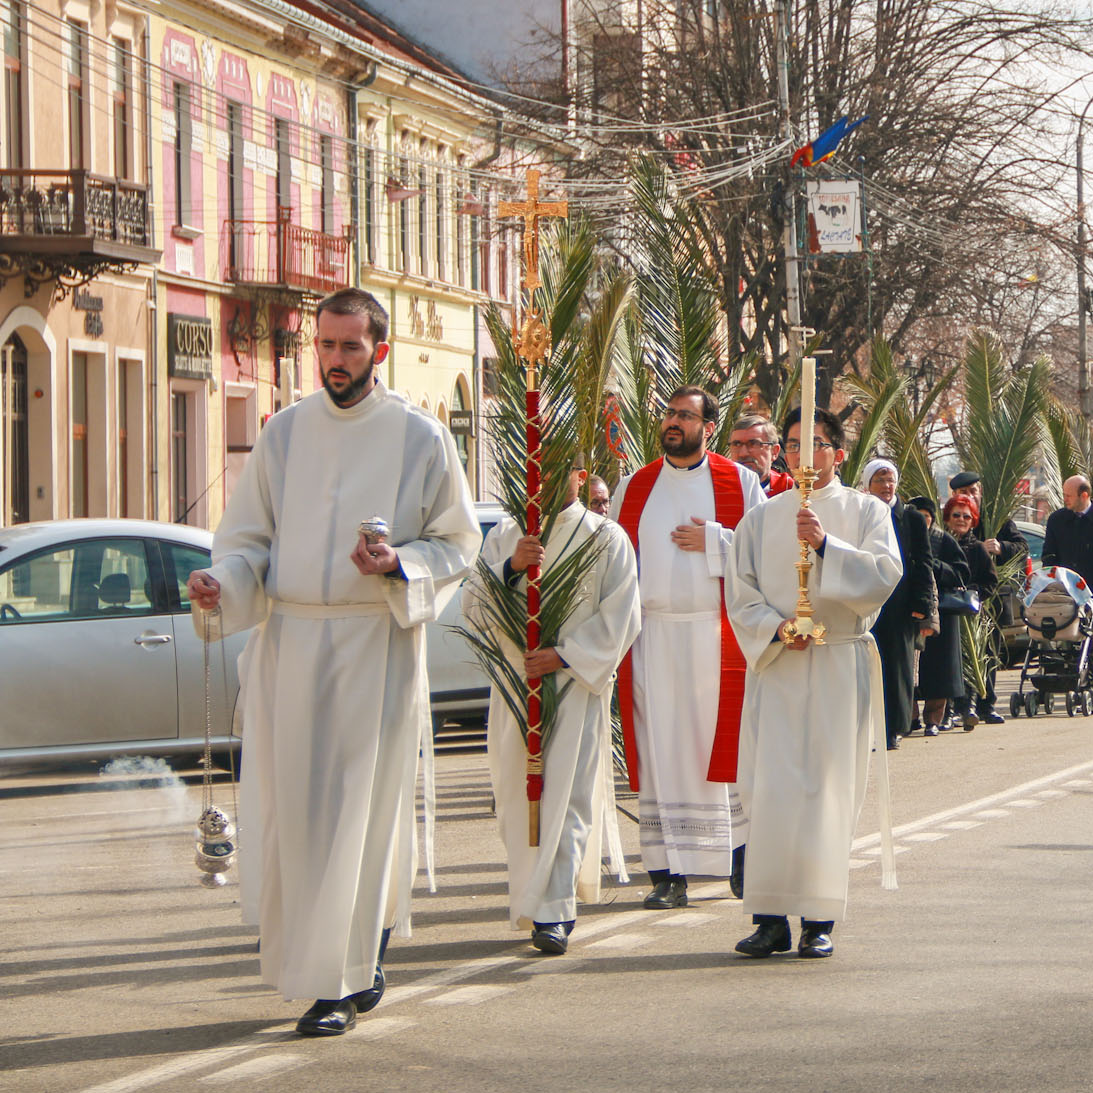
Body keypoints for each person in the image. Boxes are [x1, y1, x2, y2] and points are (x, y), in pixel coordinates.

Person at [187, 287, 481, 1037]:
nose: (337, 360)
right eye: (326, 345)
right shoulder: (283, 434)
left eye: (352, 346)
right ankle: (325, 960)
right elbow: (247, 538)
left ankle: (346, 979)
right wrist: (225, 582)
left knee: (360, 811)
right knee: (296, 814)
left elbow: (457, 543)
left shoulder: (420, 437)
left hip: (371, 645)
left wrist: (397, 563)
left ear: (379, 349)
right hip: (288, 645)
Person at [725, 407, 901, 961]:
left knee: (826, 791)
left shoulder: (866, 510)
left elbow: (884, 575)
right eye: (796, 443)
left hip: (835, 663)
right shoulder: (761, 518)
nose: (807, 455)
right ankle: (770, 918)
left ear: (839, 453)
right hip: (779, 665)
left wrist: (827, 546)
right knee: (771, 790)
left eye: (818, 443)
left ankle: (819, 918)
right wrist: (775, 627)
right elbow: (740, 591)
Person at [472, 467, 641, 956]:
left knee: (565, 800)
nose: (539, 478)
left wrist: (565, 655)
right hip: (514, 685)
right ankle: (529, 899)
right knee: (513, 801)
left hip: (573, 687)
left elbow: (623, 613)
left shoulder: (605, 537)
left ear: (580, 475)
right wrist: (510, 570)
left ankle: (555, 912)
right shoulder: (506, 534)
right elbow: (473, 606)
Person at [608, 386, 766, 910]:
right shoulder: (634, 486)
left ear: (708, 427)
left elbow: (765, 553)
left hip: (715, 636)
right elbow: (613, 562)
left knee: (722, 749)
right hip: (652, 637)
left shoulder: (739, 482)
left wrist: (717, 541)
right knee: (662, 750)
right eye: (669, 414)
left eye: (685, 416)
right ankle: (666, 871)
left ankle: (740, 859)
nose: (673, 423)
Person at [861, 459, 932, 750]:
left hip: (901, 604)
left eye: (890, 480)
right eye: (880, 479)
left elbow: (923, 562)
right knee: (867, 665)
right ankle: (867, 727)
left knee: (897, 666)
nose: (887, 485)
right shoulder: (861, 513)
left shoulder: (912, 518)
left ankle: (893, 728)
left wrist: (922, 603)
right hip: (867, 600)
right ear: (867, 484)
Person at [946, 470, 1024, 722]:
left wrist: (1001, 547)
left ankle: (986, 704)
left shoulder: (997, 519)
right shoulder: (950, 518)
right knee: (961, 651)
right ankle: (960, 705)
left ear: (980, 492)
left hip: (991, 600)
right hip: (957, 601)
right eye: (963, 492)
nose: (968, 496)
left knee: (989, 650)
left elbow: (1021, 548)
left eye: (973, 491)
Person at [910, 495, 969, 735]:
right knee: (910, 670)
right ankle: (910, 717)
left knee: (939, 671)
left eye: (925, 517)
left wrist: (934, 565)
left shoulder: (943, 540)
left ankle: (934, 719)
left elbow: (961, 573)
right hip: (911, 613)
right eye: (917, 517)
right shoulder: (902, 538)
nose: (921, 522)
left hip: (940, 613)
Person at [944, 493, 1002, 722]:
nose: (961, 519)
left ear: (973, 520)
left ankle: (985, 706)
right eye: (956, 515)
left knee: (984, 657)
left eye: (966, 516)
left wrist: (971, 593)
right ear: (947, 518)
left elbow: (991, 582)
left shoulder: (978, 548)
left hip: (975, 614)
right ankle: (952, 709)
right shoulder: (941, 543)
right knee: (950, 661)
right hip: (948, 613)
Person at [728, 413, 792, 495]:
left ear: (774, 452)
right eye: (737, 444)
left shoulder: (790, 490)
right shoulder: (718, 489)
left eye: (753, 444)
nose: (743, 453)